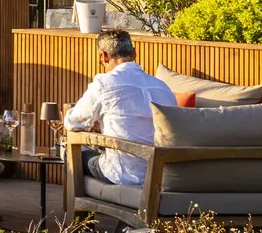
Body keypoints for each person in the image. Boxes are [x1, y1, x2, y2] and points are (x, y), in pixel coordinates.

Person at [62, 28, 176, 186]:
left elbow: (73, 122)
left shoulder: (105, 84)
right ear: (134, 53)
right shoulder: (163, 87)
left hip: (124, 174)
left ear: (104, 55)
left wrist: (94, 124)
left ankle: (75, 210)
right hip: (161, 174)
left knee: (69, 150)